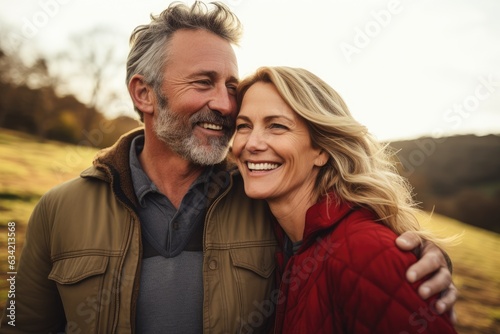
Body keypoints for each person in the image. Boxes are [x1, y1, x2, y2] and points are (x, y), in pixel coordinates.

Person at [0, 2, 456, 333]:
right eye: (204, 82)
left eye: (230, 85)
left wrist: (416, 258)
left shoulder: (264, 197)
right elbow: (19, 321)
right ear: (144, 94)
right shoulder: (57, 209)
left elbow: (341, 245)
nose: (224, 103)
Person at [232, 66, 458, 333]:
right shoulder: (283, 240)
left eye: (277, 126)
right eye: (243, 126)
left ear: (321, 150)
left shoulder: (366, 251)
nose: (252, 143)